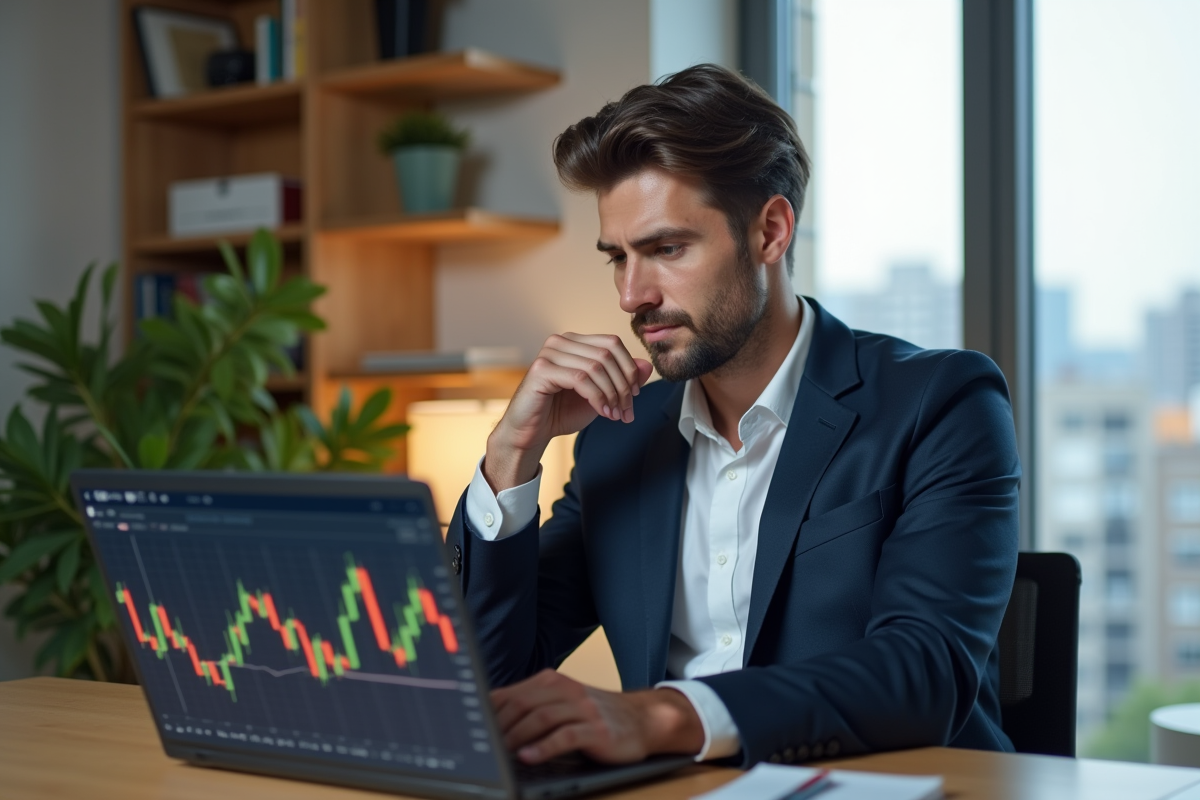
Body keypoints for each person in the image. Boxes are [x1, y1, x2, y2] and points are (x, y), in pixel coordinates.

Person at [445, 64, 1019, 769]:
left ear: (770, 232)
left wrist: (663, 714)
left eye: (666, 249)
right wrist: (511, 454)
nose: (631, 295)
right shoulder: (618, 438)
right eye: (617, 258)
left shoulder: (940, 403)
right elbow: (492, 683)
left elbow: (925, 671)